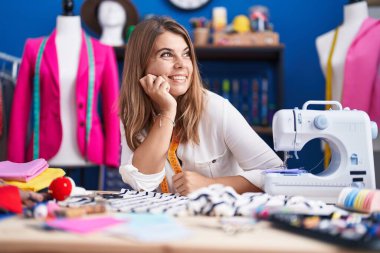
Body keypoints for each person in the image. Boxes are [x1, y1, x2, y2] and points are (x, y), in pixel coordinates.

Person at [118, 16, 283, 195]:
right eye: (166, 54)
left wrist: (210, 185)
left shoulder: (216, 108)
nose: (182, 64)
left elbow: (278, 175)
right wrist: (167, 112)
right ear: (141, 64)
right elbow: (143, 182)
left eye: (186, 54)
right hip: (166, 219)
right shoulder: (131, 113)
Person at [7, 11, 120, 168]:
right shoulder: (34, 48)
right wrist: (15, 162)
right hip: (42, 150)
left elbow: (113, 108)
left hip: (90, 151)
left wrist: (112, 155)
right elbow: (20, 108)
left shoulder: (102, 51)